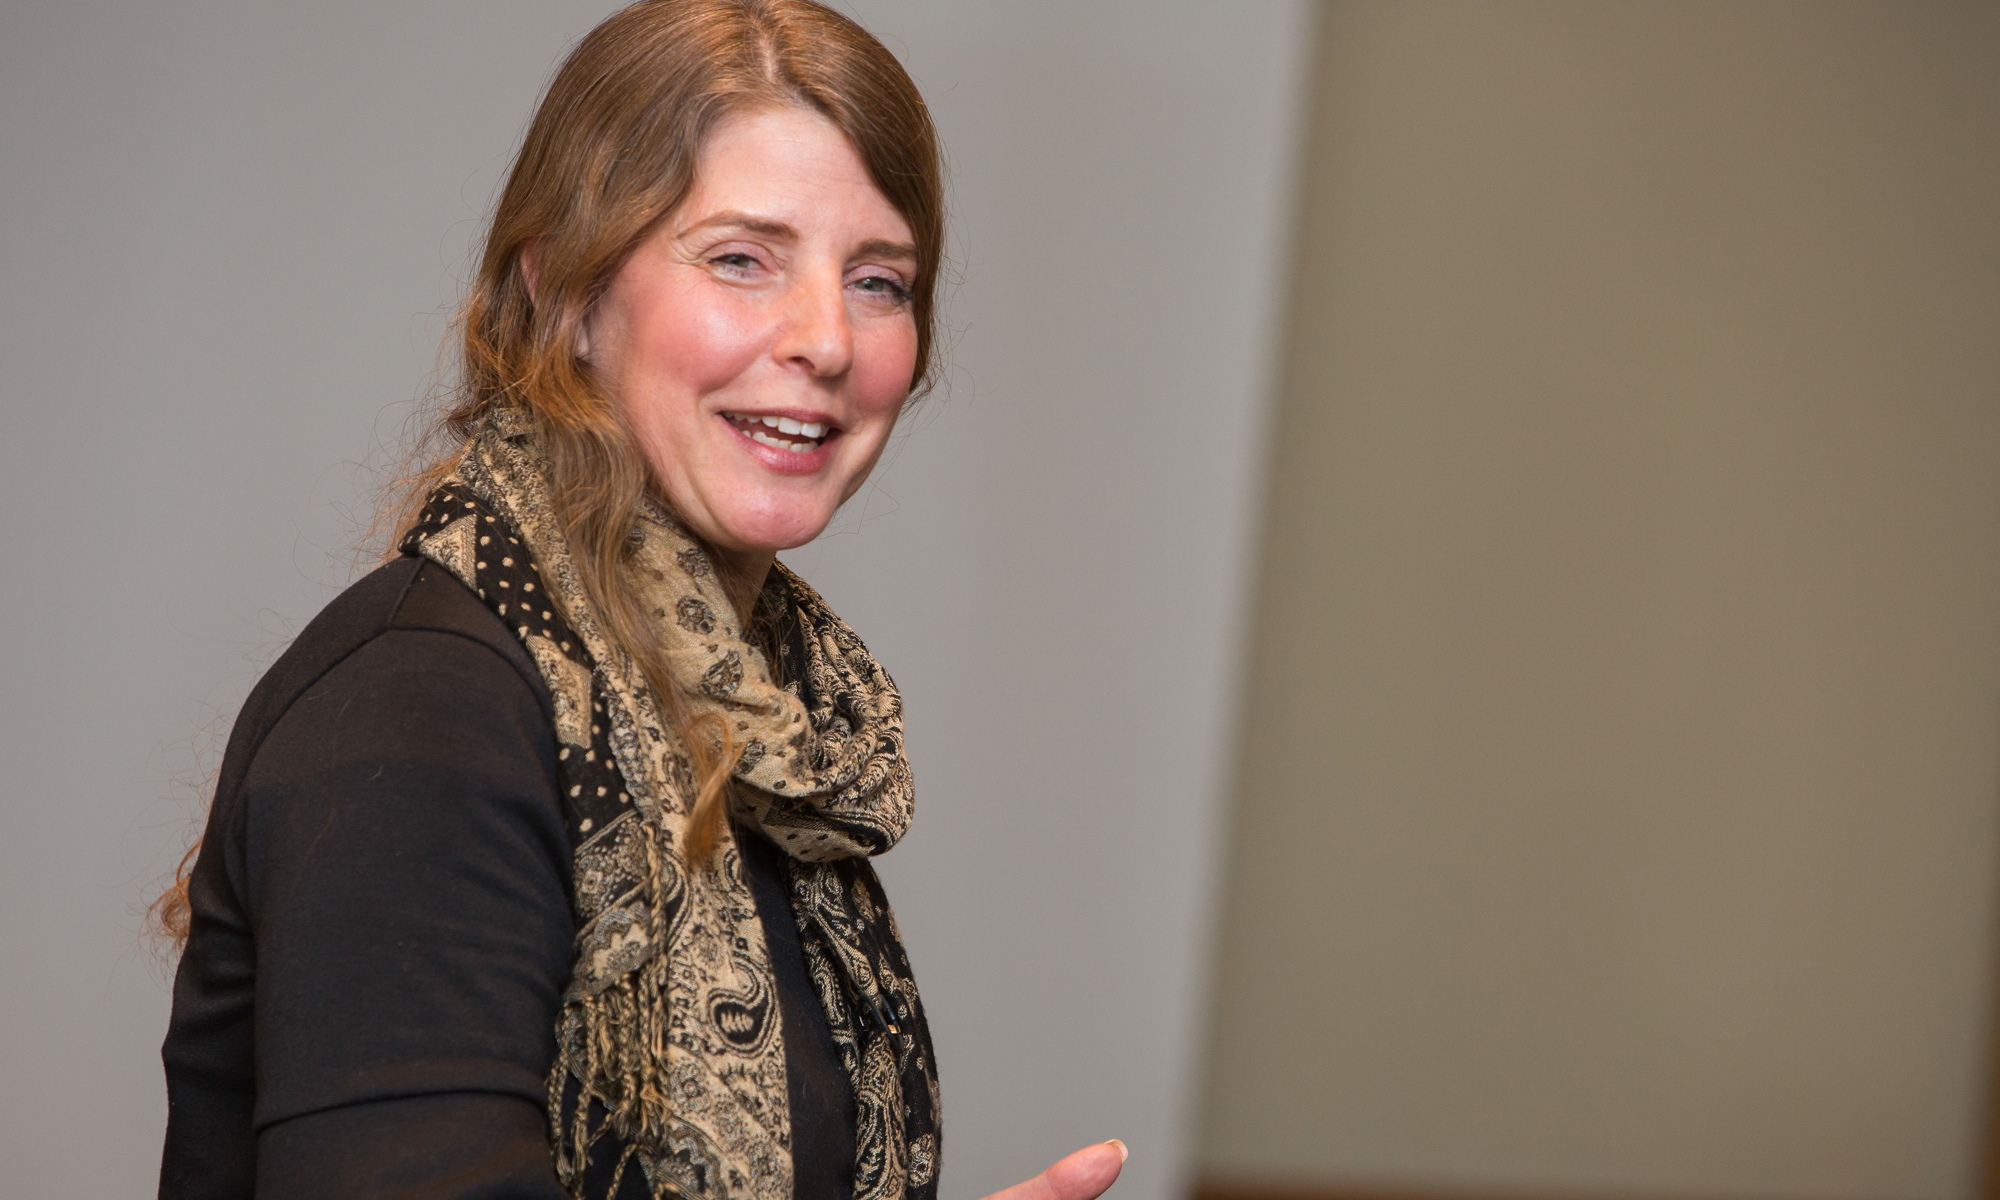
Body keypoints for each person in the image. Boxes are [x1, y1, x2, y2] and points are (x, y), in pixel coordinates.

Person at [153, 3, 1129, 1198]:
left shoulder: (767, 746)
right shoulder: (421, 708)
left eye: (878, 281)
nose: (826, 339)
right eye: (740, 259)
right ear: (565, 293)